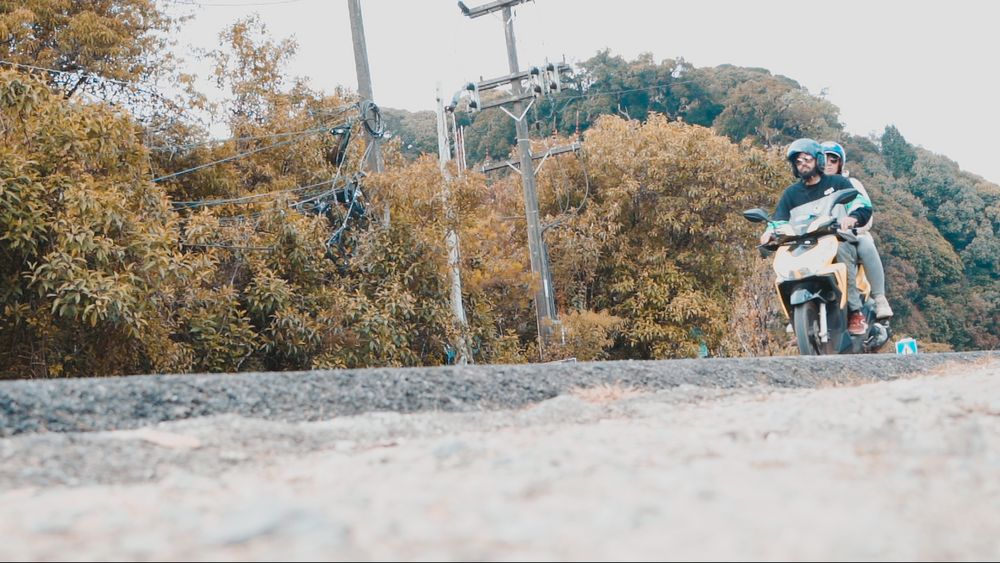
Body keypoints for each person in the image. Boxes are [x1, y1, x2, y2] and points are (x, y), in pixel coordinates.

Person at [760, 138, 872, 335]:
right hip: (804, 244)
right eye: (798, 161)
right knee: (784, 263)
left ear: (818, 160)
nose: (802, 164)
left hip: (834, 238)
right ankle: (799, 316)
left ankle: (855, 312)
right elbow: (779, 220)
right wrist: (769, 233)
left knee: (843, 251)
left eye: (807, 159)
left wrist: (852, 217)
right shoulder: (791, 194)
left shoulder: (838, 183)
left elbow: (859, 203)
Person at [820, 141, 893, 319]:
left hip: (847, 235)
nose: (828, 163)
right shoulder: (811, 189)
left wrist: (852, 223)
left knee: (865, 242)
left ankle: (880, 298)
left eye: (833, 160)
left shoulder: (849, 183)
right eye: (824, 159)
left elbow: (864, 211)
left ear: (840, 163)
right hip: (819, 240)